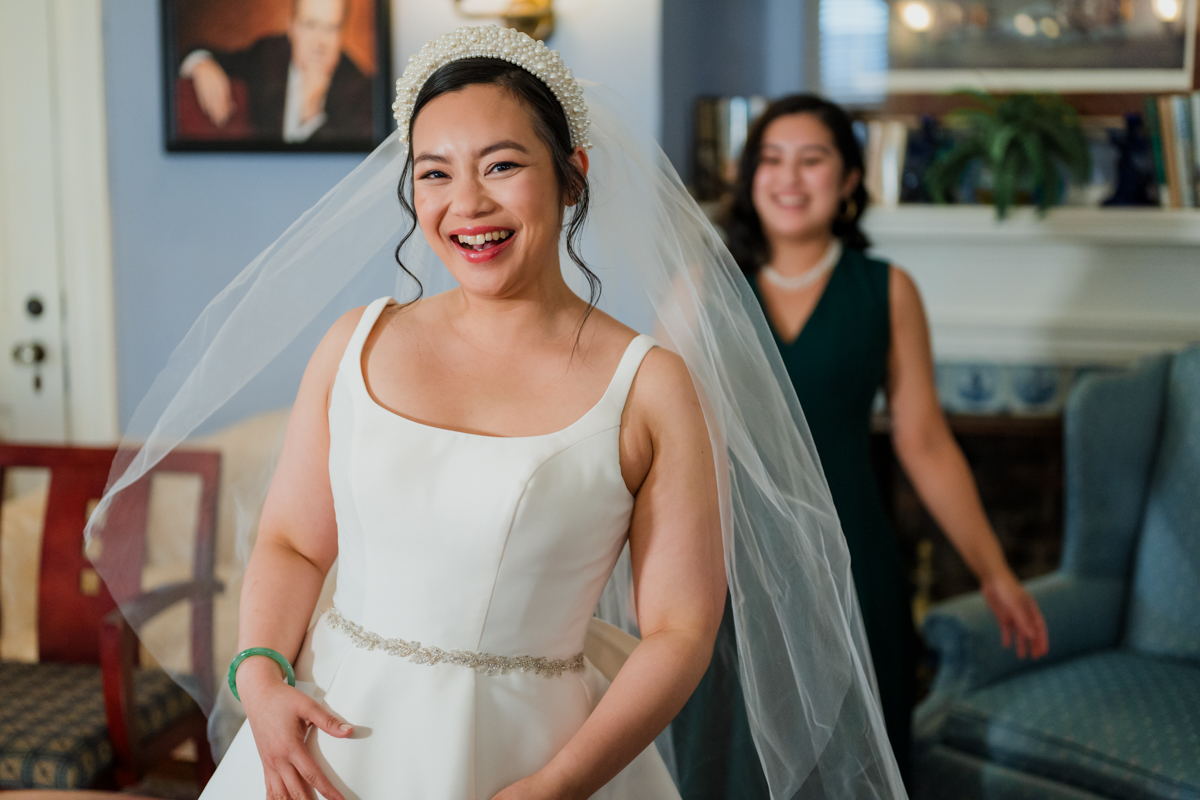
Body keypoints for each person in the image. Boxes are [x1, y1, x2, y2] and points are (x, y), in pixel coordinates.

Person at [89, 28, 908, 800]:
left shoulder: (651, 386)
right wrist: (260, 675)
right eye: (435, 172)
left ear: (573, 173)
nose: (466, 204)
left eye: (502, 165)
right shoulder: (356, 343)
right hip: (323, 748)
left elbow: (681, 631)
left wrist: (559, 785)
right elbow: (293, 543)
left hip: (536, 760)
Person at [671, 95, 1051, 796]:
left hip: (852, 560)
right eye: (772, 160)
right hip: (727, 568)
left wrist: (995, 571)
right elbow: (659, 446)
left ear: (849, 179)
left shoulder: (887, 291)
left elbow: (927, 443)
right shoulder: (700, 290)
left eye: (813, 159)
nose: (790, 178)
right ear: (748, 177)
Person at [180, 0, 371, 143]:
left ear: (343, 36)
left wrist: (311, 116)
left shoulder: (360, 88)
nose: (319, 42)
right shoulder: (268, 54)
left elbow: (346, 176)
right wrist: (201, 63)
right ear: (292, 28)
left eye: (331, 28)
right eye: (310, 25)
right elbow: (202, 55)